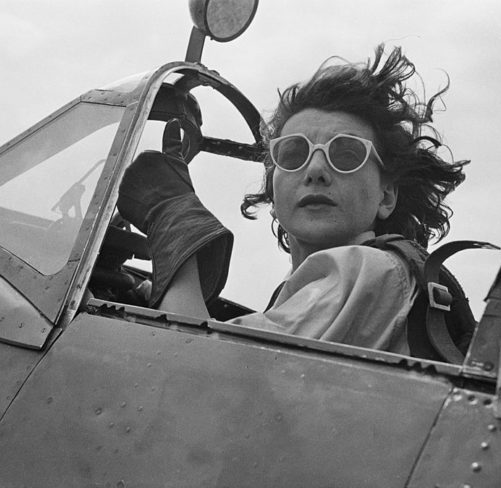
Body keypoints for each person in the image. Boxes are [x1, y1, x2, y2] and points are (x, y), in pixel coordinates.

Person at [117, 44, 466, 355]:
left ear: (386, 195)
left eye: (346, 154)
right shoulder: (315, 293)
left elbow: (193, 366)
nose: (315, 170)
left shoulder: (370, 270)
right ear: (274, 187)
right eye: (294, 153)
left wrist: (175, 218)